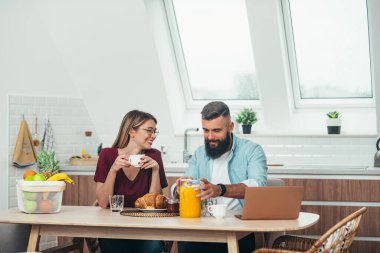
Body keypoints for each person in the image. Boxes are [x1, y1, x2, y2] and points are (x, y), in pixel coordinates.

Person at [174, 101, 268, 253]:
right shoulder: (199, 154)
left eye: (216, 130)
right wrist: (179, 187)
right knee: (186, 245)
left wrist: (220, 189)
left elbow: (258, 187)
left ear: (231, 127)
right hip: (203, 228)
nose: (210, 137)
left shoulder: (251, 151)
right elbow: (184, 181)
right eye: (205, 130)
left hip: (240, 230)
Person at [94, 110, 168, 253]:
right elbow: (103, 203)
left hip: (146, 229)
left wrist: (155, 170)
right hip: (114, 228)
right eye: (149, 130)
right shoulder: (107, 155)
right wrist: (113, 170)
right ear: (131, 131)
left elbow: (153, 205)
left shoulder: (155, 156)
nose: (153, 136)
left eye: (154, 131)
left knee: (152, 248)